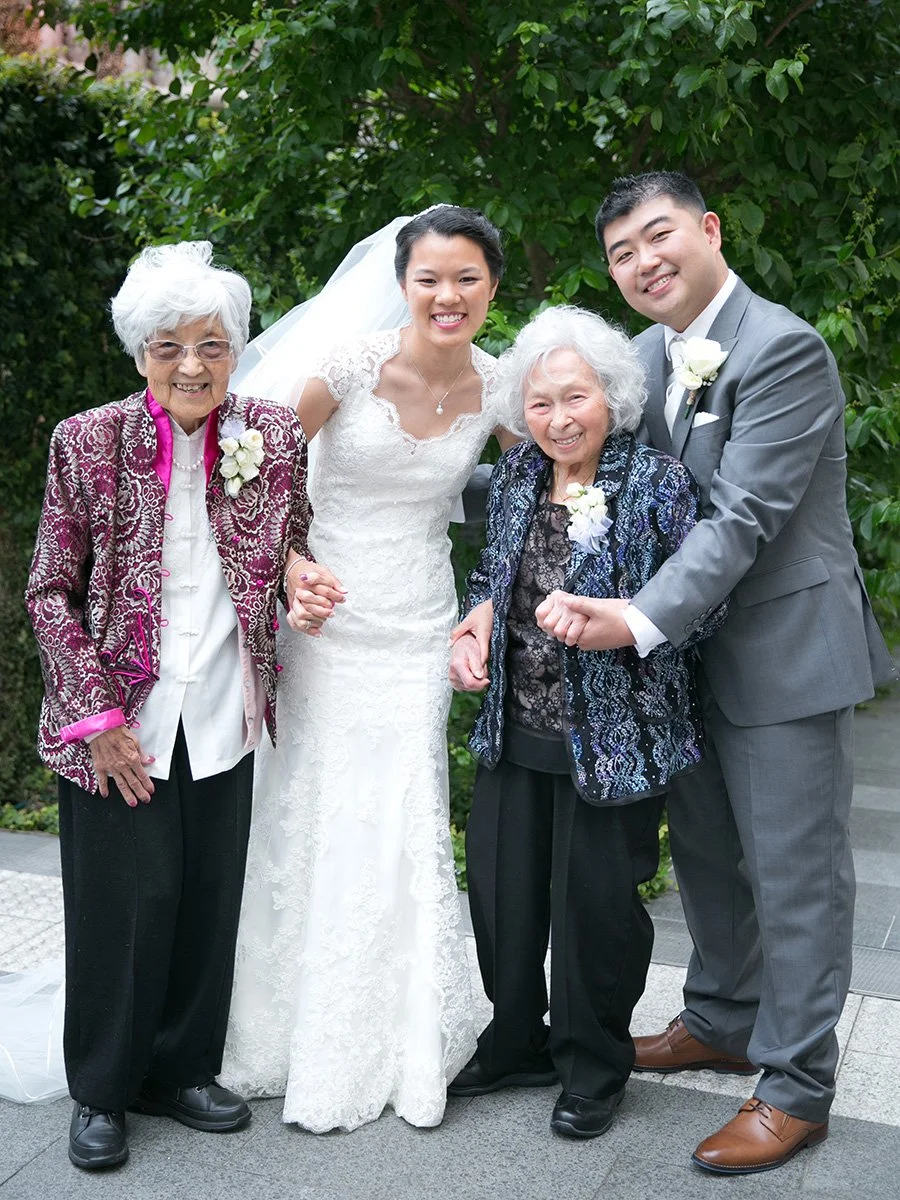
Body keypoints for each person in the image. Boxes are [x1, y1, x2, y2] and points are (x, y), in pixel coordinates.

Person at [536, 171, 896, 1173]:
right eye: (621, 253)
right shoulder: (641, 360)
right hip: (680, 665)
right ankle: (724, 1015)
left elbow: (741, 518)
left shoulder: (783, 348)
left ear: (707, 229)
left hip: (780, 652)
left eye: (659, 237)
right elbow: (595, 475)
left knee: (796, 877)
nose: (644, 263)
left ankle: (796, 1086)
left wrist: (638, 617)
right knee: (705, 858)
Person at [220, 206, 517, 1133]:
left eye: (466, 278)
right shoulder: (346, 368)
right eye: (430, 277)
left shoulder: (503, 389)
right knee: (318, 803)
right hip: (329, 619)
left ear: (492, 288)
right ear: (403, 283)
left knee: (408, 804)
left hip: (421, 621)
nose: (448, 295)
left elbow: (522, 508)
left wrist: (490, 600)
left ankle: (406, 1030)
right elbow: (257, 477)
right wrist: (289, 570)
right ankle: (282, 1022)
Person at [23, 241, 313, 1170]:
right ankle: (104, 1090)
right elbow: (48, 592)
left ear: (237, 348)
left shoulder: (271, 436)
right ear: (139, 352)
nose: (193, 364)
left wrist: (303, 578)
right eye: (169, 346)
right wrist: (97, 719)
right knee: (119, 903)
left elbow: (291, 541)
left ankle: (184, 1068)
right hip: (120, 720)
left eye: (213, 344)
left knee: (205, 893)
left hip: (226, 705)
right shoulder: (86, 439)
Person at [445, 305, 724, 1139]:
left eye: (576, 398)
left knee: (596, 911)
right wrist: (474, 624)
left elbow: (701, 610)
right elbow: (494, 576)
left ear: (611, 394)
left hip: (615, 737)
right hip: (516, 731)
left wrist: (622, 614)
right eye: (540, 404)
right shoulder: (518, 476)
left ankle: (593, 1063)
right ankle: (514, 1041)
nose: (559, 419)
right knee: (502, 899)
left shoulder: (658, 483)